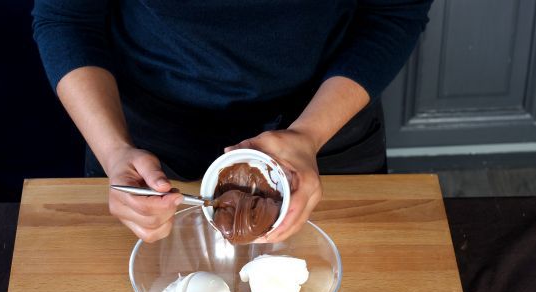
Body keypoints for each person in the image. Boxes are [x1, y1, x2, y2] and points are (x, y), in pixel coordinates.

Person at [32, 0, 432, 243]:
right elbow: (65, 19)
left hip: (327, 123)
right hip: (146, 138)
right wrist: (114, 150)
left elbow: (394, 13)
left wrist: (308, 134)